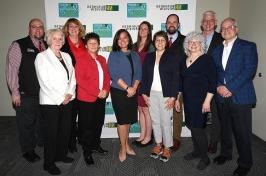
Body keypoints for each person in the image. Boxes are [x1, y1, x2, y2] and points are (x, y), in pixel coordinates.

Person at [212, 18, 258, 176]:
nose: (226, 30)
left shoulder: (248, 46)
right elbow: (215, 71)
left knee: (242, 132)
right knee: (224, 128)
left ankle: (245, 163)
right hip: (221, 96)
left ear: (236, 29)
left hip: (241, 96)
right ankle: (225, 154)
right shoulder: (216, 50)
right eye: (223, 28)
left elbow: (249, 70)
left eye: (230, 27)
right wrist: (219, 86)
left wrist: (230, 88)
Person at [35, 29, 76, 175]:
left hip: (68, 99)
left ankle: (60, 155)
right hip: (51, 102)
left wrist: (70, 93)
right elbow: (44, 82)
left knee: (65, 131)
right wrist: (61, 98)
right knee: (51, 133)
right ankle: (49, 163)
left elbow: (72, 77)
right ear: (49, 40)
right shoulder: (42, 57)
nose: (58, 41)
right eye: (55, 38)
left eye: (60, 39)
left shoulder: (66, 56)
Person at [6, 18, 46, 163]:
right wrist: (15, 92)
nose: (38, 29)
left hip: (43, 94)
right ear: (29, 29)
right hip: (26, 94)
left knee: (40, 122)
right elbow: (12, 70)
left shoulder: (45, 45)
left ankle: (41, 142)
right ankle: (28, 151)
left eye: (40, 27)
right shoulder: (18, 45)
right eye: (34, 27)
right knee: (26, 124)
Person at [176, 31, 216, 170]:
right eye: (190, 42)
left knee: (198, 128)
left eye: (196, 42)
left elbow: (213, 82)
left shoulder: (207, 59)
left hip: (201, 100)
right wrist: (177, 99)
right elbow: (181, 81)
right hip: (187, 99)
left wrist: (207, 102)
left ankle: (205, 158)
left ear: (201, 44)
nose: (193, 44)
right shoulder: (183, 59)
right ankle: (197, 151)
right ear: (187, 44)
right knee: (192, 127)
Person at [140, 31, 180, 162]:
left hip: (166, 95)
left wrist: (173, 97)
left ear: (166, 42)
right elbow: (145, 76)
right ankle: (158, 145)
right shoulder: (149, 56)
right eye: (157, 40)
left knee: (165, 122)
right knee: (155, 121)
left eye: (163, 40)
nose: (160, 42)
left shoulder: (172, 56)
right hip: (151, 94)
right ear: (154, 42)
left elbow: (176, 77)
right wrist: (144, 93)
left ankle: (167, 147)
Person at [75, 32, 110, 166]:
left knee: (98, 123)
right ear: (86, 45)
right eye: (90, 43)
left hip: (101, 97)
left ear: (99, 45)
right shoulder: (81, 59)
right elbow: (81, 80)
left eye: (95, 42)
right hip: (86, 99)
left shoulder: (102, 59)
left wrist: (106, 90)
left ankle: (95, 145)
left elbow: (107, 77)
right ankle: (87, 151)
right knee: (87, 126)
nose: (93, 45)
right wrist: (97, 92)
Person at [107, 29, 142, 162]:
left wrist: (134, 88)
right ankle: (122, 147)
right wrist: (127, 88)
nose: (122, 40)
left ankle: (127, 144)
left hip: (133, 90)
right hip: (119, 91)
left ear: (129, 39)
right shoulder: (114, 54)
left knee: (127, 120)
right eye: (119, 38)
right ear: (116, 41)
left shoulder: (135, 54)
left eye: (125, 37)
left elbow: (139, 73)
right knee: (122, 121)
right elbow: (114, 74)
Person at [201, 10, 224, 154]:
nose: (208, 23)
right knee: (199, 114)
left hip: (215, 83)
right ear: (202, 23)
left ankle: (213, 141)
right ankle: (200, 140)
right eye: (205, 20)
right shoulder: (195, 37)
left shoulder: (222, 38)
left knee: (216, 114)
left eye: (211, 20)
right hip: (198, 84)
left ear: (215, 23)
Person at [62, 18, 86, 153]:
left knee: (83, 115)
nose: (73, 29)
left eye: (76, 26)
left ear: (79, 28)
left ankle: (82, 139)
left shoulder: (85, 42)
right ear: (67, 28)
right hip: (70, 85)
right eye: (70, 26)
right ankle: (70, 142)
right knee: (70, 116)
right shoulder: (62, 43)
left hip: (84, 85)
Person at [165, 14, 186, 151]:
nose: (171, 24)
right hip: (162, 82)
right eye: (169, 22)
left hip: (179, 81)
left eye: (174, 22)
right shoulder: (160, 40)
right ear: (166, 24)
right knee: (164, 111)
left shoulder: (186, 40)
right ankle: (163, 136)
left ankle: (176, 138)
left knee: (177, 110)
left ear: (178, 25)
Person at [132, 21, 154, 147]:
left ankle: (148, 137)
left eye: (145, 29)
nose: (143, 30)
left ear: (149, 31)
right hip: (136, 81)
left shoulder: (151, 46)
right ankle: (142, 135)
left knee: (146, 110)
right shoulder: (134, 46)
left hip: (146, 81)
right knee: (140, 109)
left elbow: (151, 66)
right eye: (141, 28)